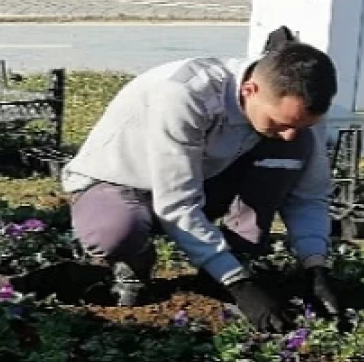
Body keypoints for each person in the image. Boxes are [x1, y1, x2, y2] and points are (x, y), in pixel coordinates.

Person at [60, 38, 343, 332]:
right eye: (279, 122)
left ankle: (233, 258)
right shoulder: (184, 95)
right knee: (115, 232)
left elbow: (308, 196)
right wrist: (240, 286)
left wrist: (315, 266)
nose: (288, 133)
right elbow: (178, 204)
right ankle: (136, 261)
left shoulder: (298, 113)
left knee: (289, 149)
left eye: (299, 124)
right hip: (121, 183)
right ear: (250, 90)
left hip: (200, 179)